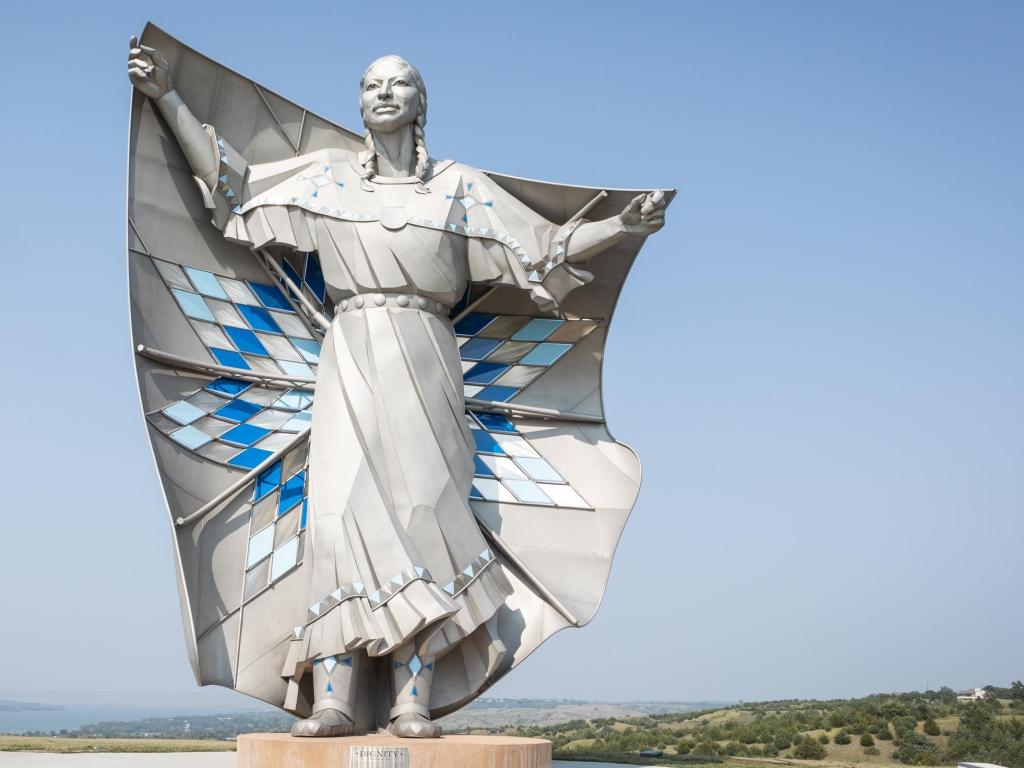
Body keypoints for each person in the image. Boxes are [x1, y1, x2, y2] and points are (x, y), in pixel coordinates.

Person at [128, 38, 666, 738]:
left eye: (399, 84)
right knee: (332, 522)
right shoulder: (327, 181)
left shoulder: (459, 190)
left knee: (421, 516)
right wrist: (168, 97)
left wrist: (620, 225)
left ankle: (413, 699)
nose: (384, 93)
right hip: (348, 350)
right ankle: (333, 699)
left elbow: (545, 250)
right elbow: (235, 193)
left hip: (427, 353)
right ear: (359, 102)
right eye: (371, 84)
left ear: (420, 104)